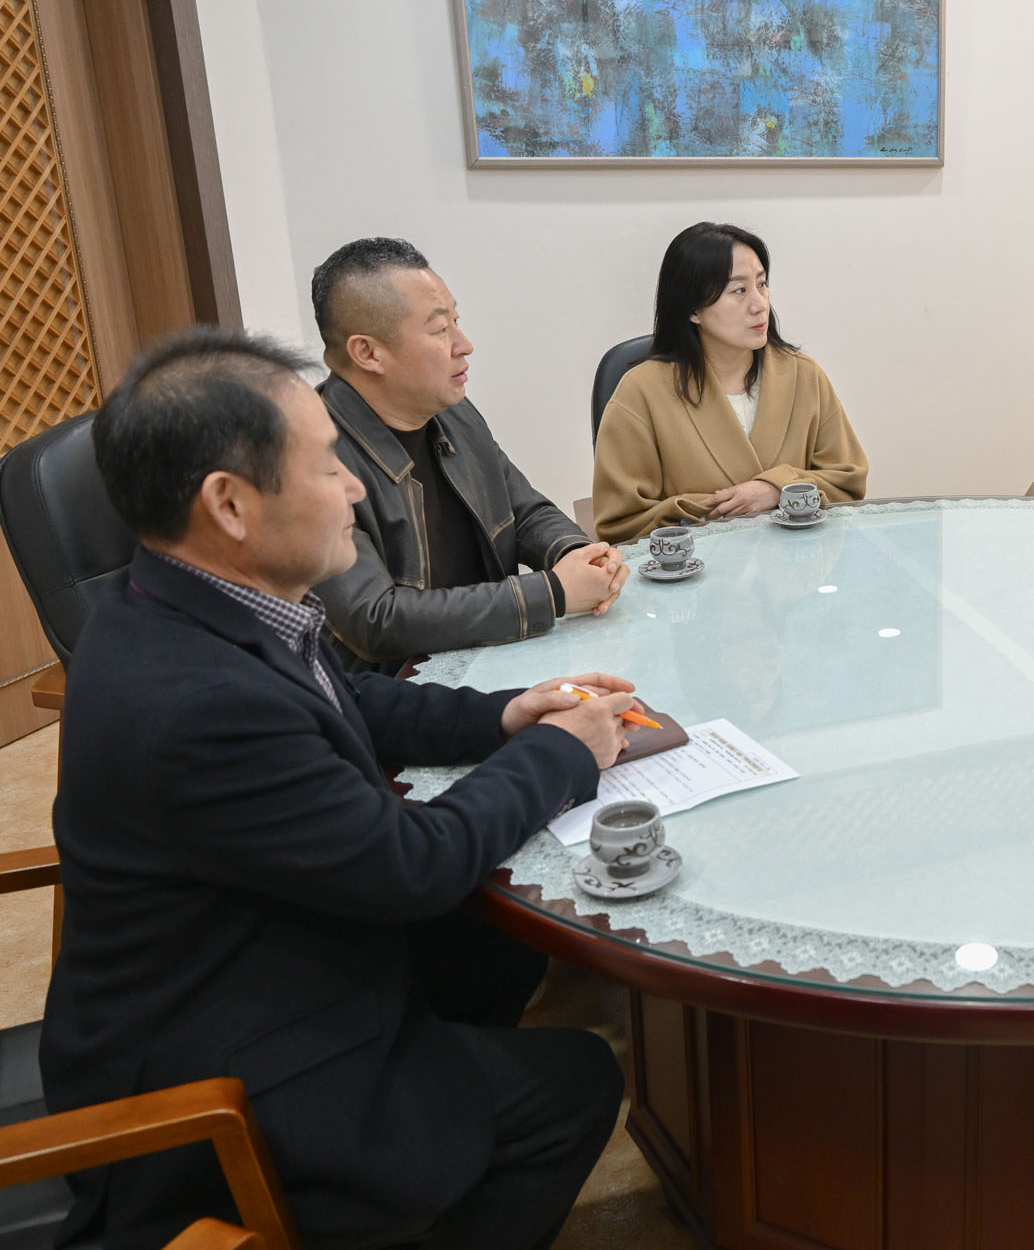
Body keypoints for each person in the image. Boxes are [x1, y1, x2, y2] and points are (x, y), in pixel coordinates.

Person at [43, 329, 632, 1249]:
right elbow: (411, 867)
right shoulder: (197, 705)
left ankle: (439, 1104)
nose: (356, 489)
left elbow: (342, 699)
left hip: (257, 954)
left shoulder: (179, 599)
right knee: (575, 1084)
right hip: (229, 1078)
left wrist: (506, 716)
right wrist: (562, 753)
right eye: (327, 466)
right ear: (230, 503)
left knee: (498, 942)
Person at [310, 237, 629, 674]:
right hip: (394, 693)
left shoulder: (453, 413)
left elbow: (525, 511)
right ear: (368, 353)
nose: (464, 344)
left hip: (492, 659)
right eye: (440, 330)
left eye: (456, 321)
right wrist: (552, 592)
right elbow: (376, 619)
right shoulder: (308, 456)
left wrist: (578, 555)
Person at [592, 221, 867, 541]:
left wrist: (777, 489)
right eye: (739, 290)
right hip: (696, 568)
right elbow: (622, 522)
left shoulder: (804, 376)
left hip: (799, 562)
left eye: (762, 284)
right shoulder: (640, 392)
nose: (760, 304)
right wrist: (718, 510)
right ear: (694, 309)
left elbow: (848, 482)